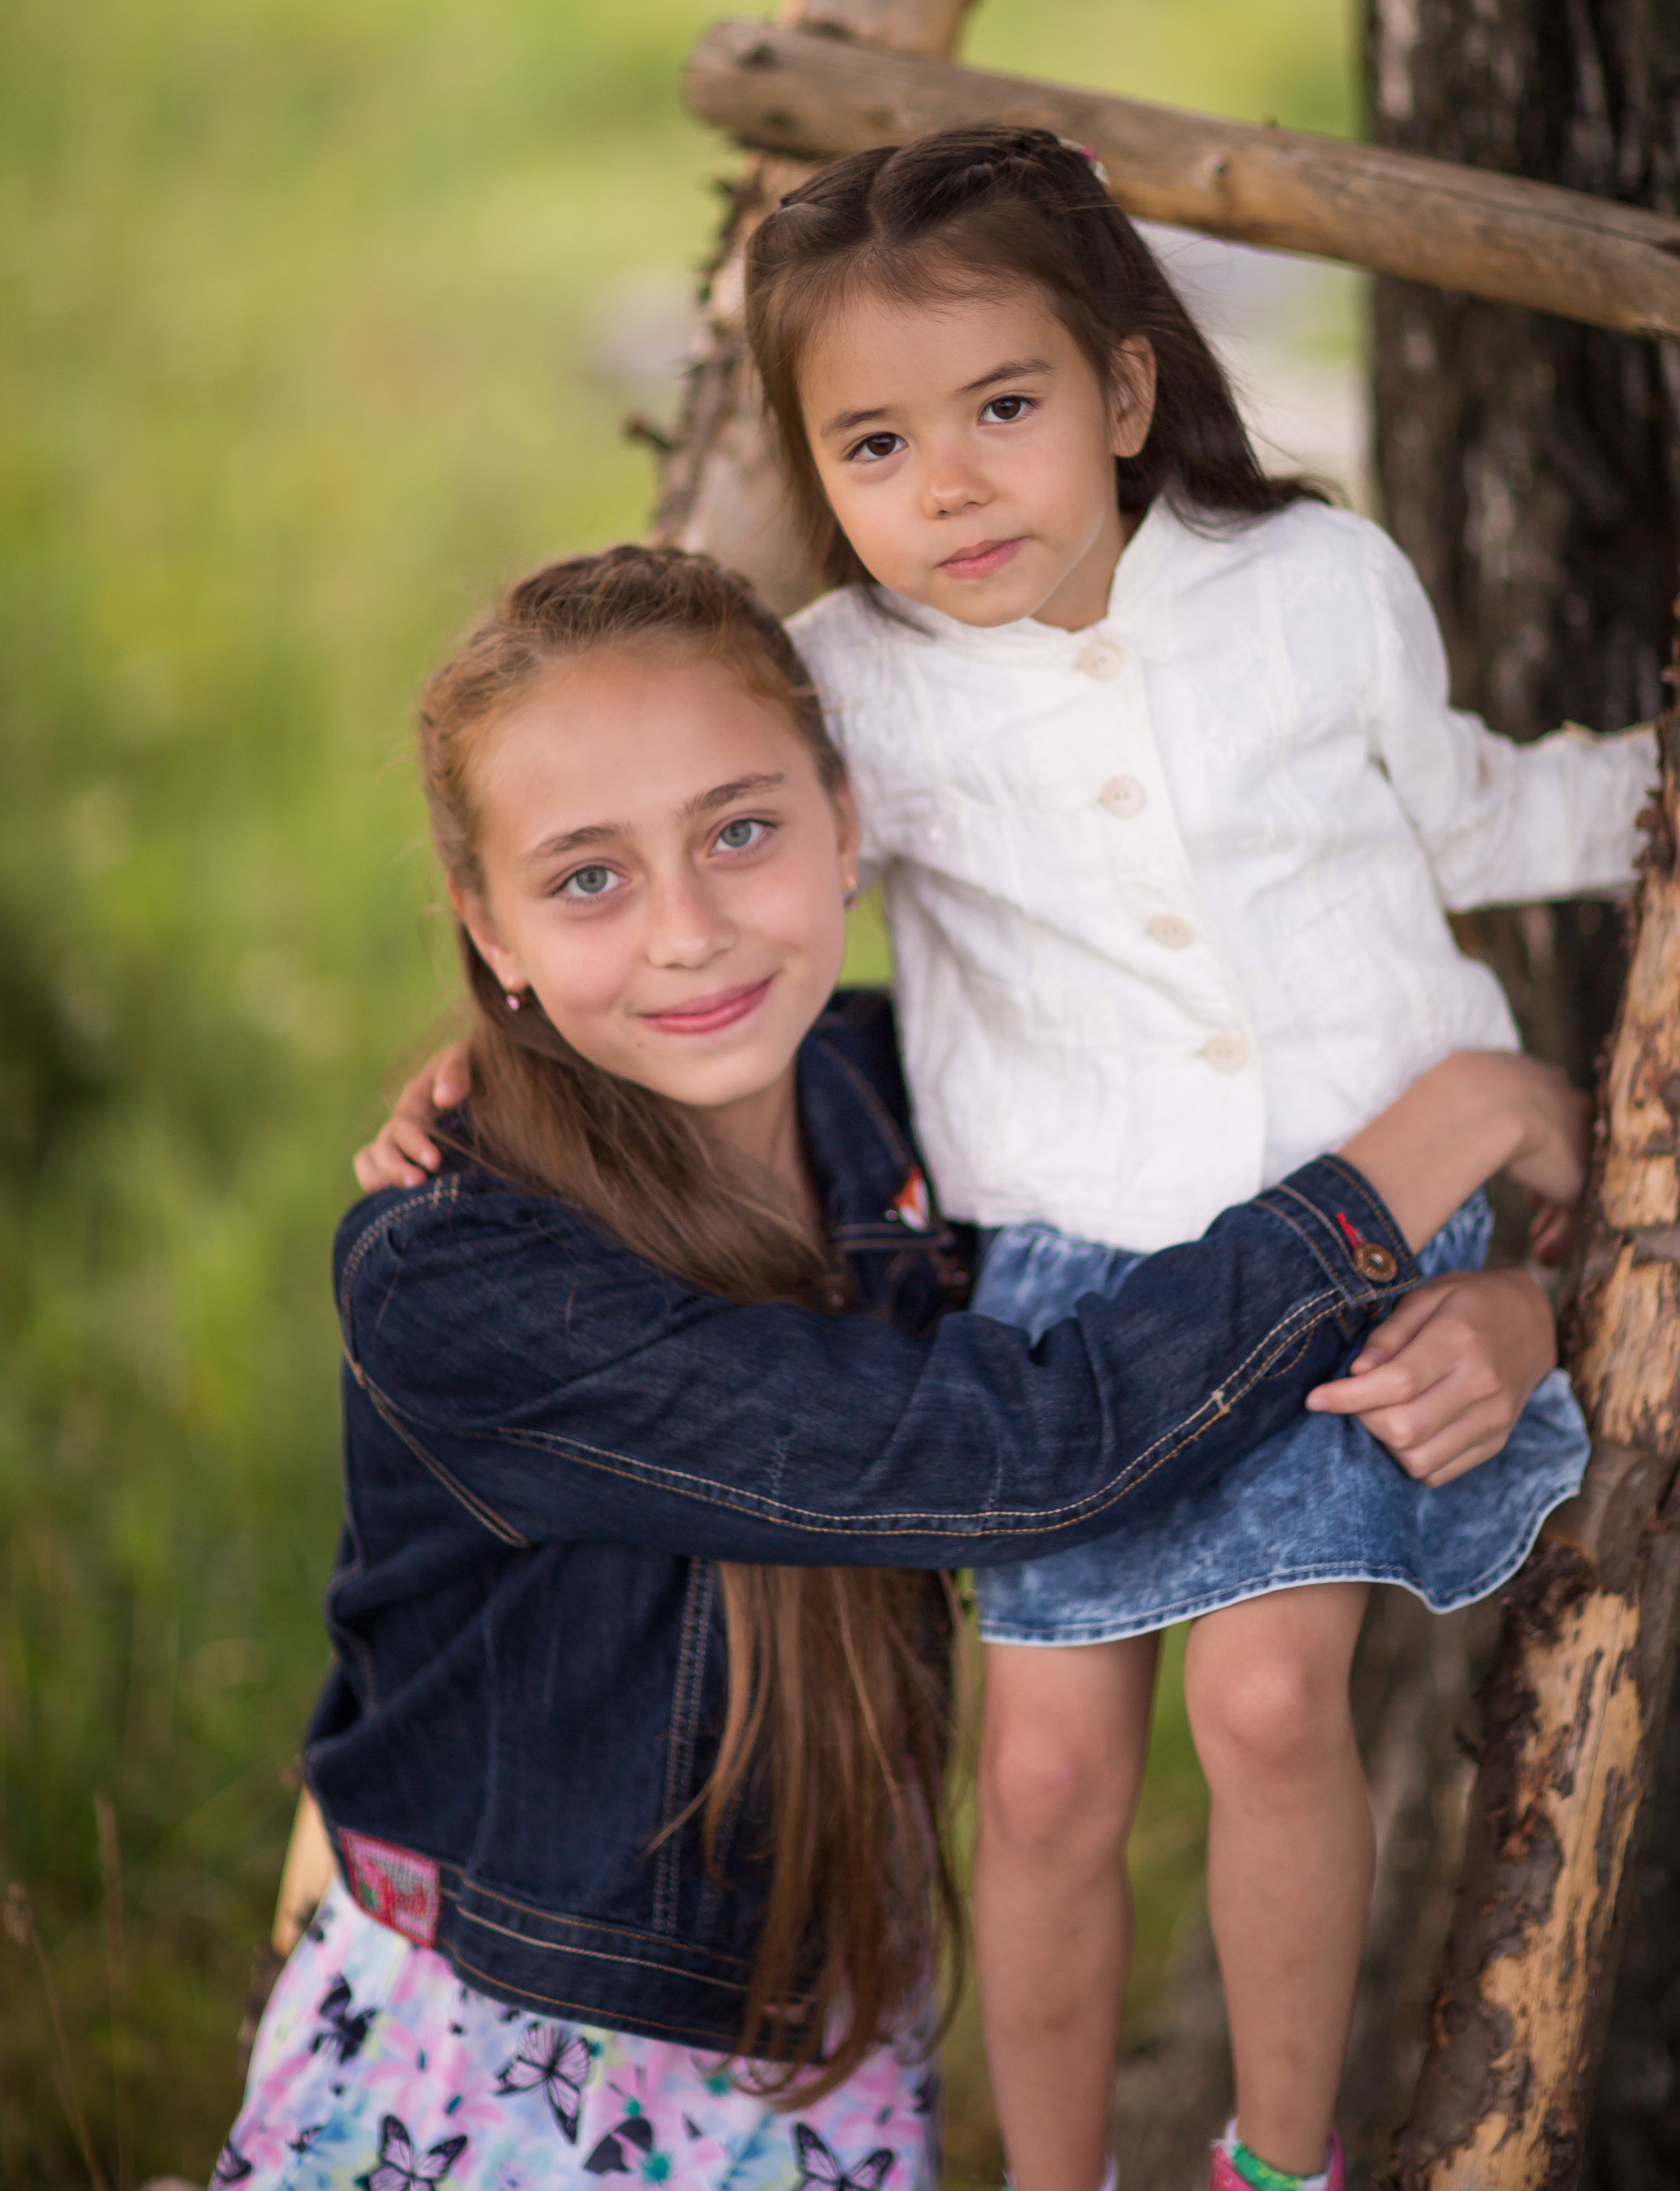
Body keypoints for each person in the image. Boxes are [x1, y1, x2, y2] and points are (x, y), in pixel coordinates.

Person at [246, 542, 1580, 2191]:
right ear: (487, 929)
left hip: (829, 2055)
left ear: (847, 828)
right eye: (586, 879)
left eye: (740, 833)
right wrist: (1440, 1133)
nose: (686, 933)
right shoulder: (460, 1274)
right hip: (506, 2055)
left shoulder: (916, 1109)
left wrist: (1519, 1312)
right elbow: (1021, 1456)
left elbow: (1186, 1244)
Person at [729, 126, 1662, 2191]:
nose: (950, 484)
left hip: (1373, 1209)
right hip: (1073, 1279)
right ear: (817, 466)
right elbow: (735, 922)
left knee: (1261, 1703)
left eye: (1002, 408)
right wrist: (492, 1061)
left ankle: (1275, 2160)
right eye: (873, 447)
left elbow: (1477, 819)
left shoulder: (1313, 585)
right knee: (1048, 1774)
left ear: (1126, 391)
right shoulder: (845, 694)